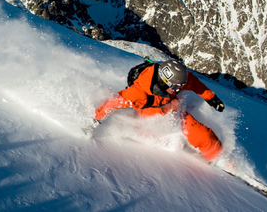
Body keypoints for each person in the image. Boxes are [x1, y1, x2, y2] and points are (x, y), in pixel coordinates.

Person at [91, 59, 225, 161]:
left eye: (180, 86)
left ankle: (218, 158)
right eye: (176, 86)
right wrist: (94, 121)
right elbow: (112, 103)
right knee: (161, 140)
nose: (179, 89)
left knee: (204, 135)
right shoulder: (138, 93)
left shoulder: (176, 81)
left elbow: (194, 83)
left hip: (174, 114)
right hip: (149, 124)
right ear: (164, 82)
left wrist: (211, 98)